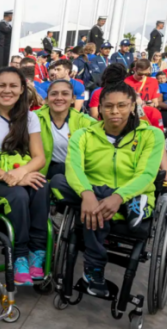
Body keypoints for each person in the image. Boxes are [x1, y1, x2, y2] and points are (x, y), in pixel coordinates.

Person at [49, 81, 164, 297]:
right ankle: (124, 205)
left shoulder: (151, 135)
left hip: (132, 192)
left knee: (93, 211)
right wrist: (88, 195)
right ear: (99, 108)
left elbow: (147, 174)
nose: (114, 111)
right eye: (108, 106)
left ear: (132, 106)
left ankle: (94, 268)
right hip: (91, 194)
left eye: (121, 105)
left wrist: (119, 196)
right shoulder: (84, 134)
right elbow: (73, 169)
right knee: (57, 180)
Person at [0, 67, 49, 286]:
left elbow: (39, 157)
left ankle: (37, 253)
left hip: (18, 172)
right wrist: (9, 177)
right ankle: (20, 255)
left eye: (13, 86)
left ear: (22, 89)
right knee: (19, 196)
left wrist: (21, 173)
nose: (7, 90)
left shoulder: (30, 118)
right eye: (1, 85)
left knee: (42, 187)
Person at [35, 80, 95, 179]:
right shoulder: (34, 118)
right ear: (46, 99)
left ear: (73, 99)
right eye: (54, 94)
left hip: (77, 172)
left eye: (65, 94)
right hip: (43, 172)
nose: (59, 98)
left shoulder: (85, 122)